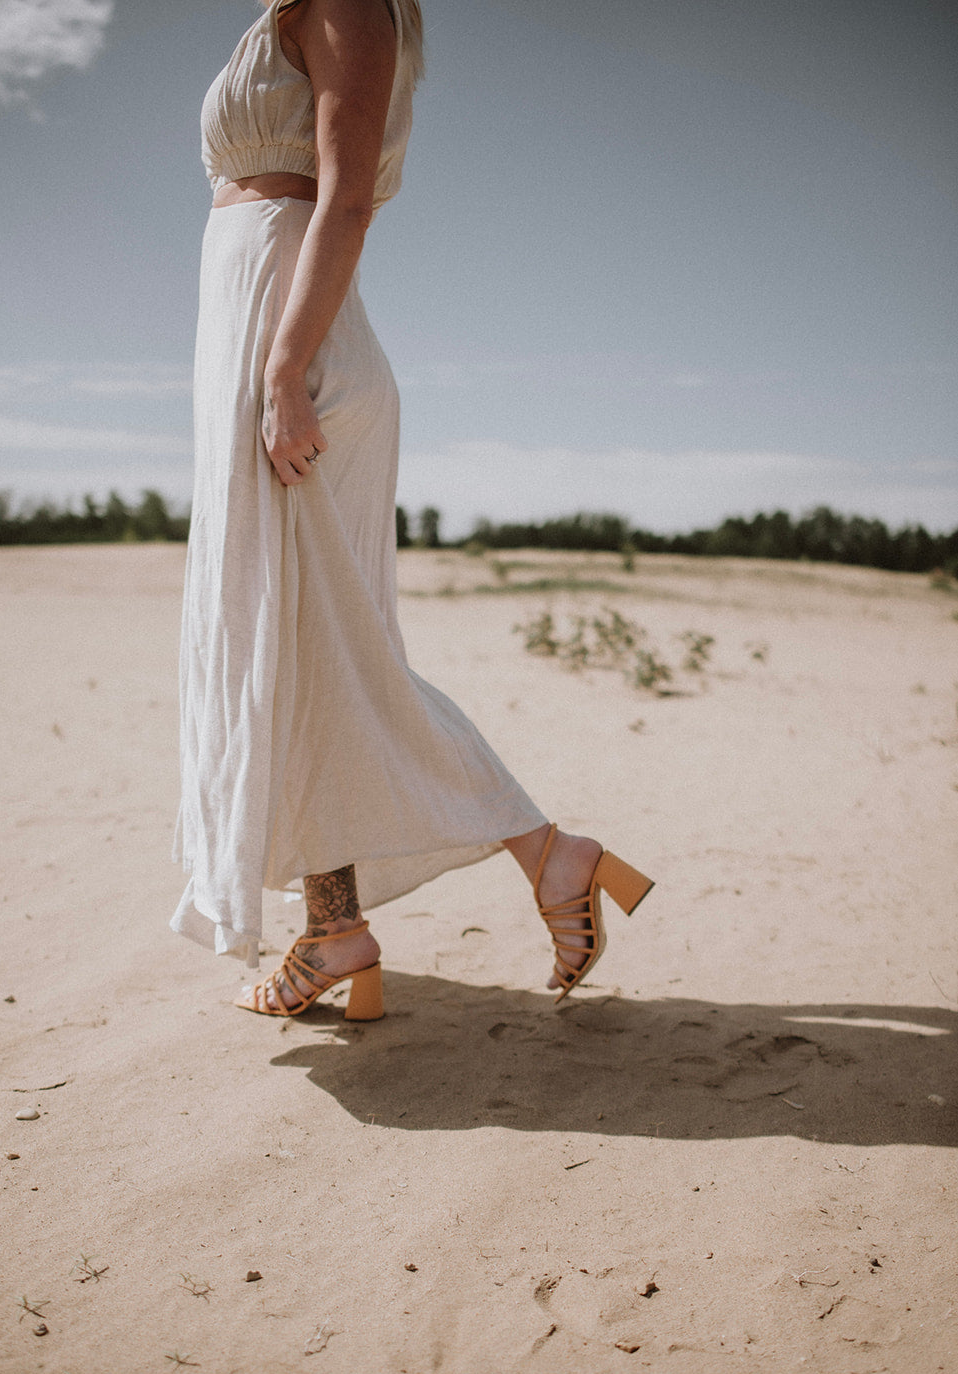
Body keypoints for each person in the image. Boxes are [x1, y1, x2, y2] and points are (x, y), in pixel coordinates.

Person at [172, 0, 653, 1019]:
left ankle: (546, 852)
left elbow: (347, 200)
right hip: (260, 332)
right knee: (303, 656)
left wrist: (286, 371)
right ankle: (335, 925)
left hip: (290, 348)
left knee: (336, 651)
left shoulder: (348, 3)